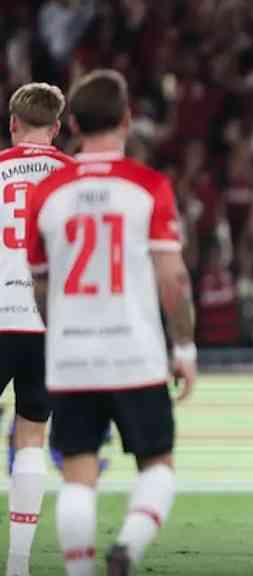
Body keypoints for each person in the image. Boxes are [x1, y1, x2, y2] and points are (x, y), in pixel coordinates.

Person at [25, 69, 196, 576]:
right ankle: (126, 548)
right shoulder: (148, 187)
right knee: (158, 467)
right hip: (136, 356)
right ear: (127, 119)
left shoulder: (47, 192)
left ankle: (80, 572)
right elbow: (173, 279)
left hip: (72, 358)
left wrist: (59, 335)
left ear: (72, 122)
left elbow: (39, 285)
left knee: (78, 476)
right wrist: (183, 347)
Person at [0, 81, 72, 576]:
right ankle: (19, 563)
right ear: (58, 127)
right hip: (48, 323)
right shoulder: (74, 176)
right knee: (31, 436)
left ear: (13, 124)